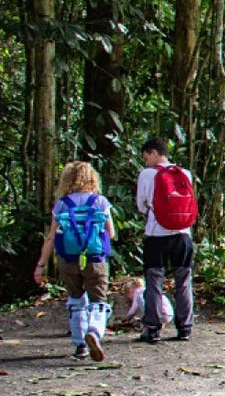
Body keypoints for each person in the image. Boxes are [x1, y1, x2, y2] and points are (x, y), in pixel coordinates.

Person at [32, 161, 116, 361]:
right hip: (95, 258)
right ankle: (94, 332)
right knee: (98, 300)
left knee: (76, 299)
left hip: (68, 259)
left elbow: (51, 237)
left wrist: (40, 265)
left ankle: (80, 346)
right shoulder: (100, 202)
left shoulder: (62, 204)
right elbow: (111, 234)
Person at [135, 137, 194, 343]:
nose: (146, 162)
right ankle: (185, 328)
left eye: (146, 157)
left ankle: (153, 328)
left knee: (154, 281)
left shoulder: (147, 174)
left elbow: (141, 205)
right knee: (183, 281)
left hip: (156, 235)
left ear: (153, 152)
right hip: (183, 234)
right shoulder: (184, 173)